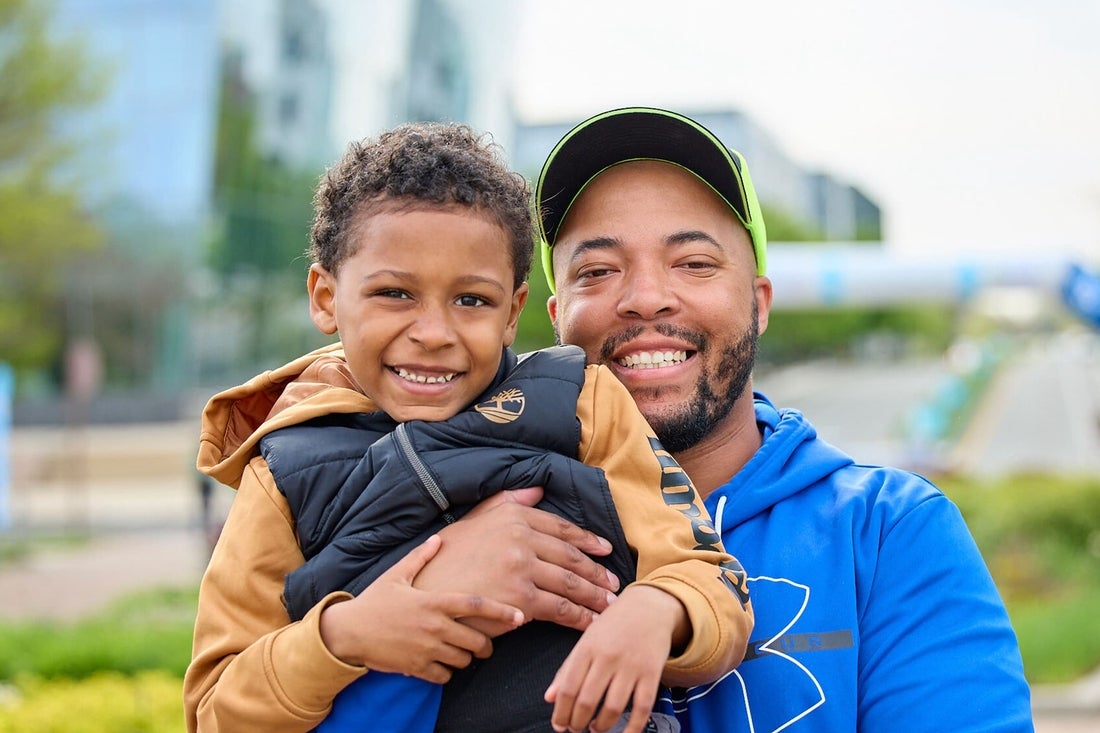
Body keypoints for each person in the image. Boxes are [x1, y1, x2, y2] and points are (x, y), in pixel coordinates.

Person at [183, 121, 753, 733]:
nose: (434, 332)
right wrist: (343, 636)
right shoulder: (283, 470)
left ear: (514, 310)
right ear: (326, 297)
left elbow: (709, 574)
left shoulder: (582, 403)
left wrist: (657, 609)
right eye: (395, 293)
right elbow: (215, 709)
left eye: (472, 300)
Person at [527, 106, 1033, 731]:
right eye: (598, 271)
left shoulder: (885, 532)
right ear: (556, 316)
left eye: (694, 263)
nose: (645, 297)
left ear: (758, 304)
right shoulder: (494, 520)